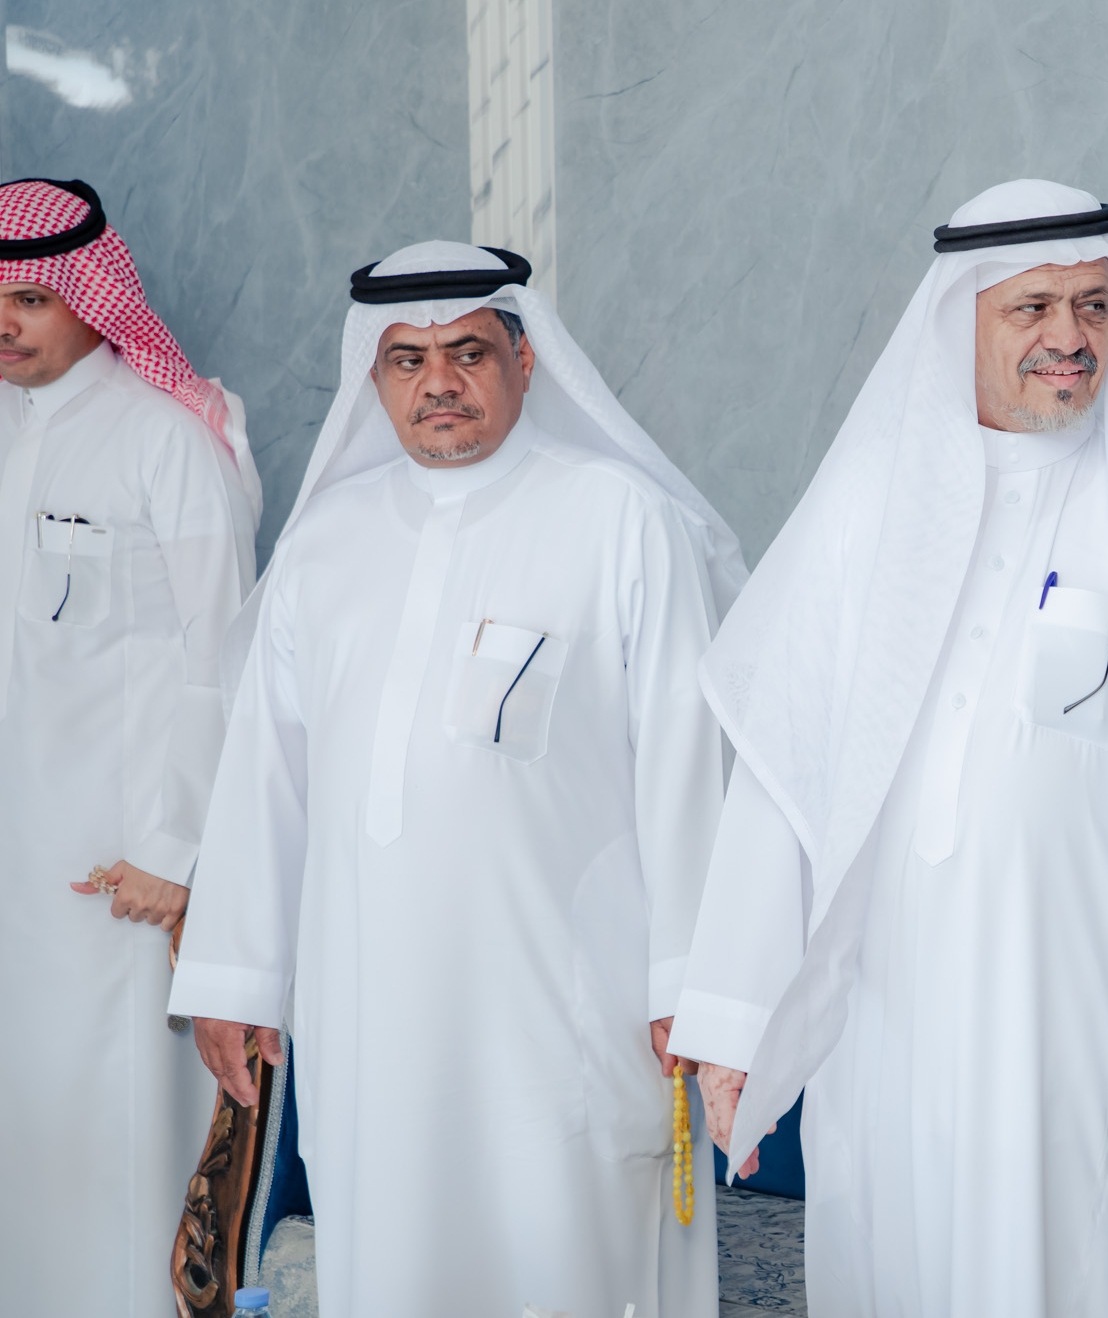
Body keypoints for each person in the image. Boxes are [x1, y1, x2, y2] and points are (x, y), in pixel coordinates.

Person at [673, 180, 1108, 1318]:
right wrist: (734, 1022)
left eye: (1093, 306)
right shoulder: (869, 504)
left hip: (1087, 1013)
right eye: (1032, 308)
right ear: (961, 319)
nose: (1070, 336)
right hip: (891, 1011)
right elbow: (781, 778)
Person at [169, 241, 747, 1318]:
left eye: (469, 352)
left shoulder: (617, 517)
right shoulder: (325, 542)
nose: (439, 382)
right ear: (374, 376)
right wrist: (235, 977)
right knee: (396, 1257)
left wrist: (689, 983)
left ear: (525, 362)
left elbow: (685, 755)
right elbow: (266, 771)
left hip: (564, 999)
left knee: (564, 1254)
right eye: (408, 359)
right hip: (369, 1003)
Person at [0, 177, 260, 1317]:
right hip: (16, 853)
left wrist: (175, 848)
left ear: (92, 299)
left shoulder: (168, 440)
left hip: (119, 874)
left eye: (30, 298)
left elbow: (221, 654)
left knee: (116, 1141)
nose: (6, 323)